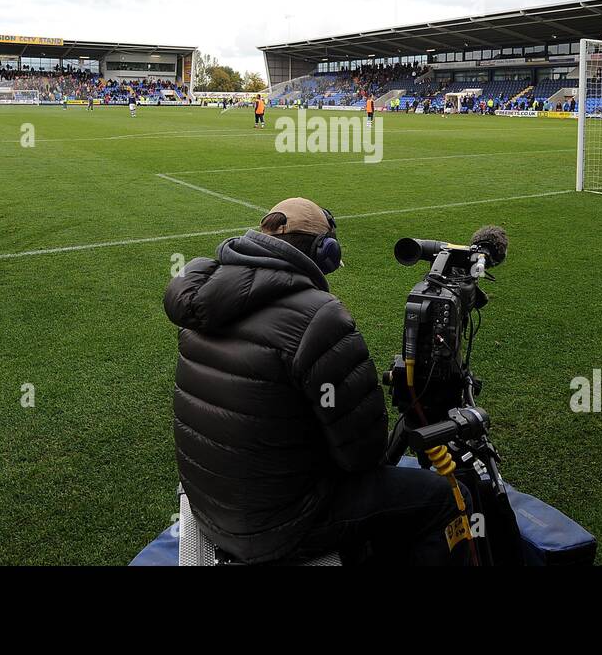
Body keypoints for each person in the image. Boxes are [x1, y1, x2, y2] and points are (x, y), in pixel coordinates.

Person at [165, 197, 469, 566]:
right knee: (442, 498)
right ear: (324, 252)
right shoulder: (317, 317)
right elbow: (363, 453)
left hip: (210, 508)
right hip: (278, 526)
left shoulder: (202, 300)